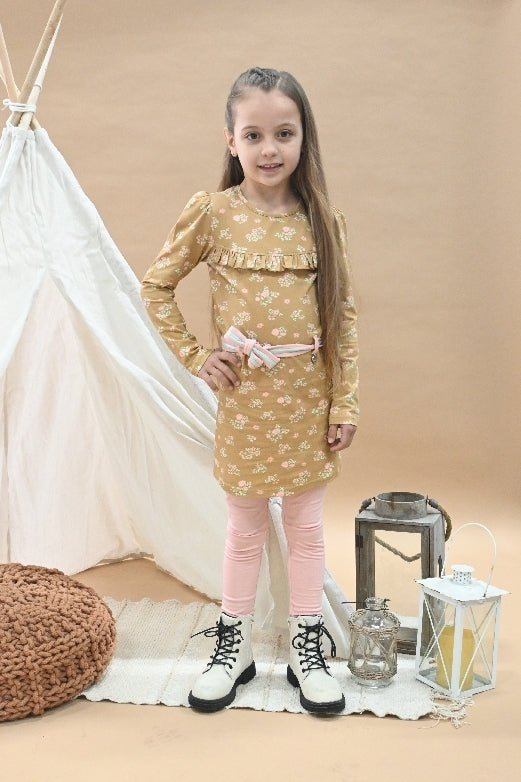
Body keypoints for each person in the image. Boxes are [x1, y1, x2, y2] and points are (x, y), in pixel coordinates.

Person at [141, 67, 359, 714]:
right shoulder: (213, 213)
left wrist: (344, 398)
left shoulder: (323, 220)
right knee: (243, 529)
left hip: (308, 402)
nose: (269, 149)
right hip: (246, 404)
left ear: (303, 137)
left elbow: (342, 316)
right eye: (254, 134)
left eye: (284, 134)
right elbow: (156, 285)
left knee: (306, 527)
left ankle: (305, 647)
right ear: (230, 140)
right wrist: (196, 357)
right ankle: (232, 645)